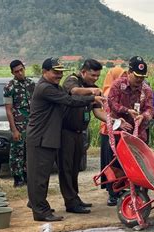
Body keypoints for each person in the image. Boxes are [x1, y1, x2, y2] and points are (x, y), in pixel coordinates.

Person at [26, 57, 104, 222]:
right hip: (40, 138)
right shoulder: (45, 88)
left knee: (42, 176)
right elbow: (70, 100)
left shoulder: (53, 86)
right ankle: (40, 211)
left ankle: (39, 205)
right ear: (44, 72)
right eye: (55, 72)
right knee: (38, 177)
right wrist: (92, 97)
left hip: (47, 137)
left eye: (60, 72)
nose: (59, 75)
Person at [59, 59, 131, 214]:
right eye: (92, 75)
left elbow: (98, 112)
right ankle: (70, 202)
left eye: (98, 76)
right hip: (66, 131)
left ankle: (75, 198)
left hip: (80, 132)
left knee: (75, 167)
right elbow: (74, 91)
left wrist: (116, 122)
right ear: (83, 72)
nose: (95, 79)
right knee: (66, 168)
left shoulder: (91, 88)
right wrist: (92, 92)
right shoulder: (72, 80)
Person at [3, 60, 35, 187]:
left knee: (30, 151)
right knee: (17, 152)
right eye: (16, 71)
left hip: (32, 124)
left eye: (21, 70)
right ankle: (18, 178)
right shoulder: (9, 87)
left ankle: (28, 176)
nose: (20, 73)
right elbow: (8, 110)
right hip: (19, 125)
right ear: (12, 72)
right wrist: (14, 130)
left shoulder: (31, 84)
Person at [108, 56, 154, 144]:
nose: (139, 79)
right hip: (119, 129)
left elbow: (150, 109)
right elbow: (112, 103)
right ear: (129, 72)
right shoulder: (118, 84)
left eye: (142, 77)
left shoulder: (147, 90)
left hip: (139, 134)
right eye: (137, 76)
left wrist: (143, 116)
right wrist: (127, 110)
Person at [99, 66, 127, 206]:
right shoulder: (108, 92)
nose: (124, 78)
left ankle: (121, 188)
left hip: (122, 132)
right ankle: (112, 192)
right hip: (108, 132)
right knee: (111, 163)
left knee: (121, 163)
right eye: (121, 75)